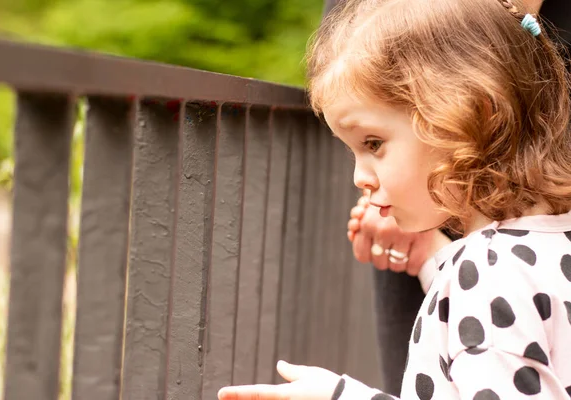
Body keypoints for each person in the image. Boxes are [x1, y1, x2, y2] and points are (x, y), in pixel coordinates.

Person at [218, 0, 571, 398]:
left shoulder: (486, 276)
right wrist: (429, 258)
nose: (359, 178)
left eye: (374, 143)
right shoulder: (546, 244)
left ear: (473, 116)